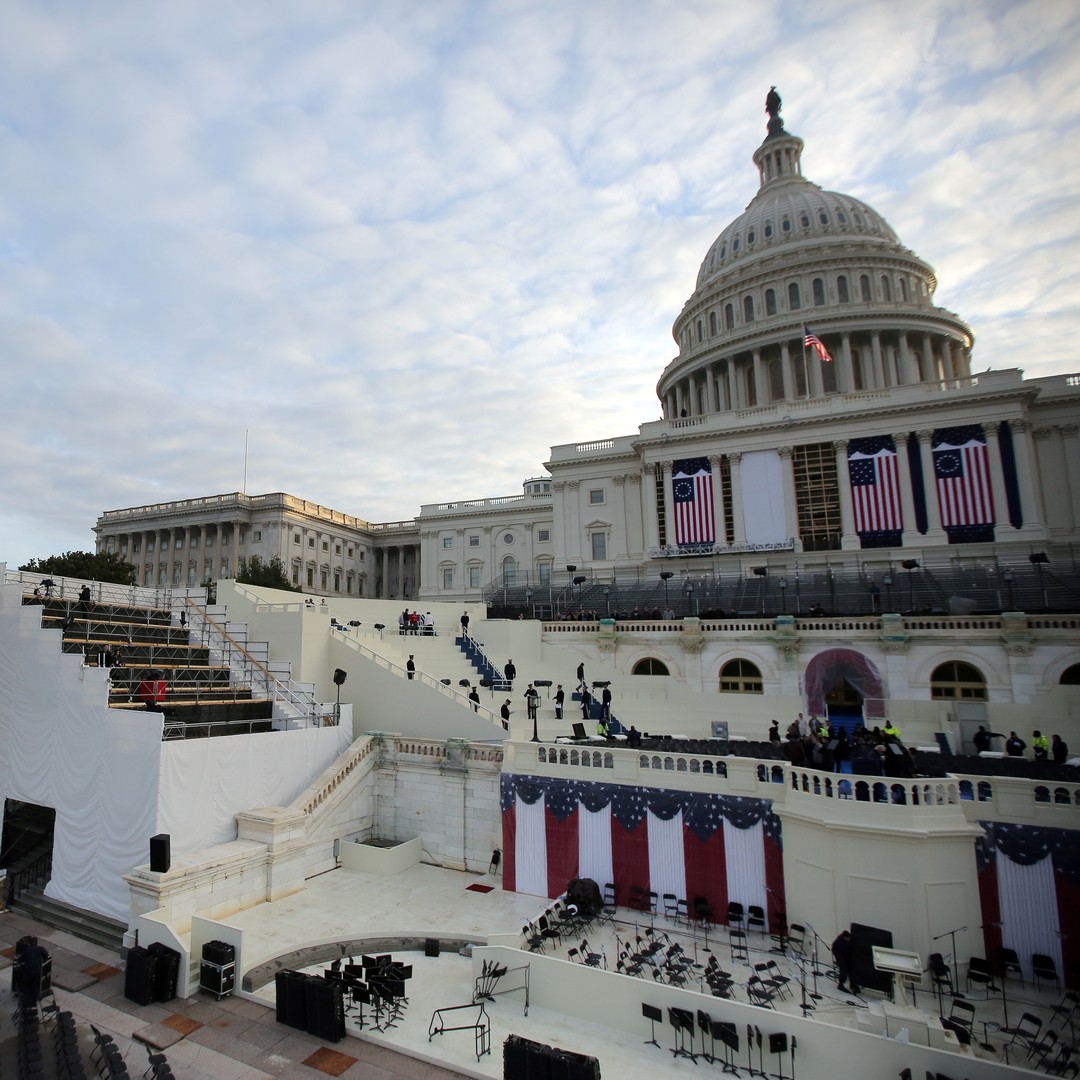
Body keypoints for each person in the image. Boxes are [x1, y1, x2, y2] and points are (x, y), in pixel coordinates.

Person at [832, 930, 858, 995]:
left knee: (850, 968)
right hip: (839, 955)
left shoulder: (845, 938)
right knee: (844, 969)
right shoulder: (842, 943)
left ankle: (852, 984)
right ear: (845, 937)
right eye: (848, 938)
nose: (849, 939)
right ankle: (841, 985)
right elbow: (845, 954)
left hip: (843, 954)